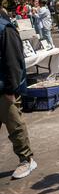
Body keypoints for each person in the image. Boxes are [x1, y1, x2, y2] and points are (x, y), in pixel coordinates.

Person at [0, 14, 37, 179]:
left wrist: (10, 89)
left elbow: (14, 61)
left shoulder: (5, 28)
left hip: (5, 91)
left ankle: (26, 159)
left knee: (15, 125)